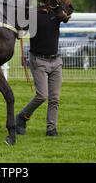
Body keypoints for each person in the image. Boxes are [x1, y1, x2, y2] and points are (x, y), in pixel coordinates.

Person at [15, 8, 63, 137]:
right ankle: (22, 117)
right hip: (38, 61)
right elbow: (19, 31)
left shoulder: (57, 13)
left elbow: (67, 14)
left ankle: (51, 129)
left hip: (56, 60)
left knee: (55, 98)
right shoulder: (32, 14)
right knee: (42, 96)